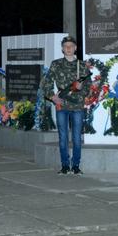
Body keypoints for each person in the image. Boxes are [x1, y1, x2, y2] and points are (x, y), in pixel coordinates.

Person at [39, 36, 91, 175]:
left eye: (71, 46)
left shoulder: (82, 66)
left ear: (75, 48)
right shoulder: (56, 64)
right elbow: (46, 83)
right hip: (61, 105)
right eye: (66, 46)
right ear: (62, 49)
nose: (68, 48)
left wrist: (81, 88)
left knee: (76, 138)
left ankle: (76, 166)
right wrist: (52, 97)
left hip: (77, 106)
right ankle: (64, 166)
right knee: (63, 137)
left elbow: (88, 87)